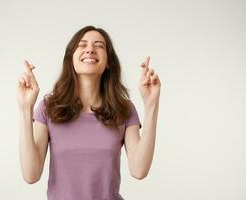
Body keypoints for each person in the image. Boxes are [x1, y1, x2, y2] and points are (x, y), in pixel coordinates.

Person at [17, 25, 161, 200]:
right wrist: (26, 108)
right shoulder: (49, 108)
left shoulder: (124, 109)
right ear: (71, 58)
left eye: (99, 45)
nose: (90, 50)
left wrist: (151, 104)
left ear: (108, 62)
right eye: (82, 45)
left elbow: (139, 170)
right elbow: (31, 175)